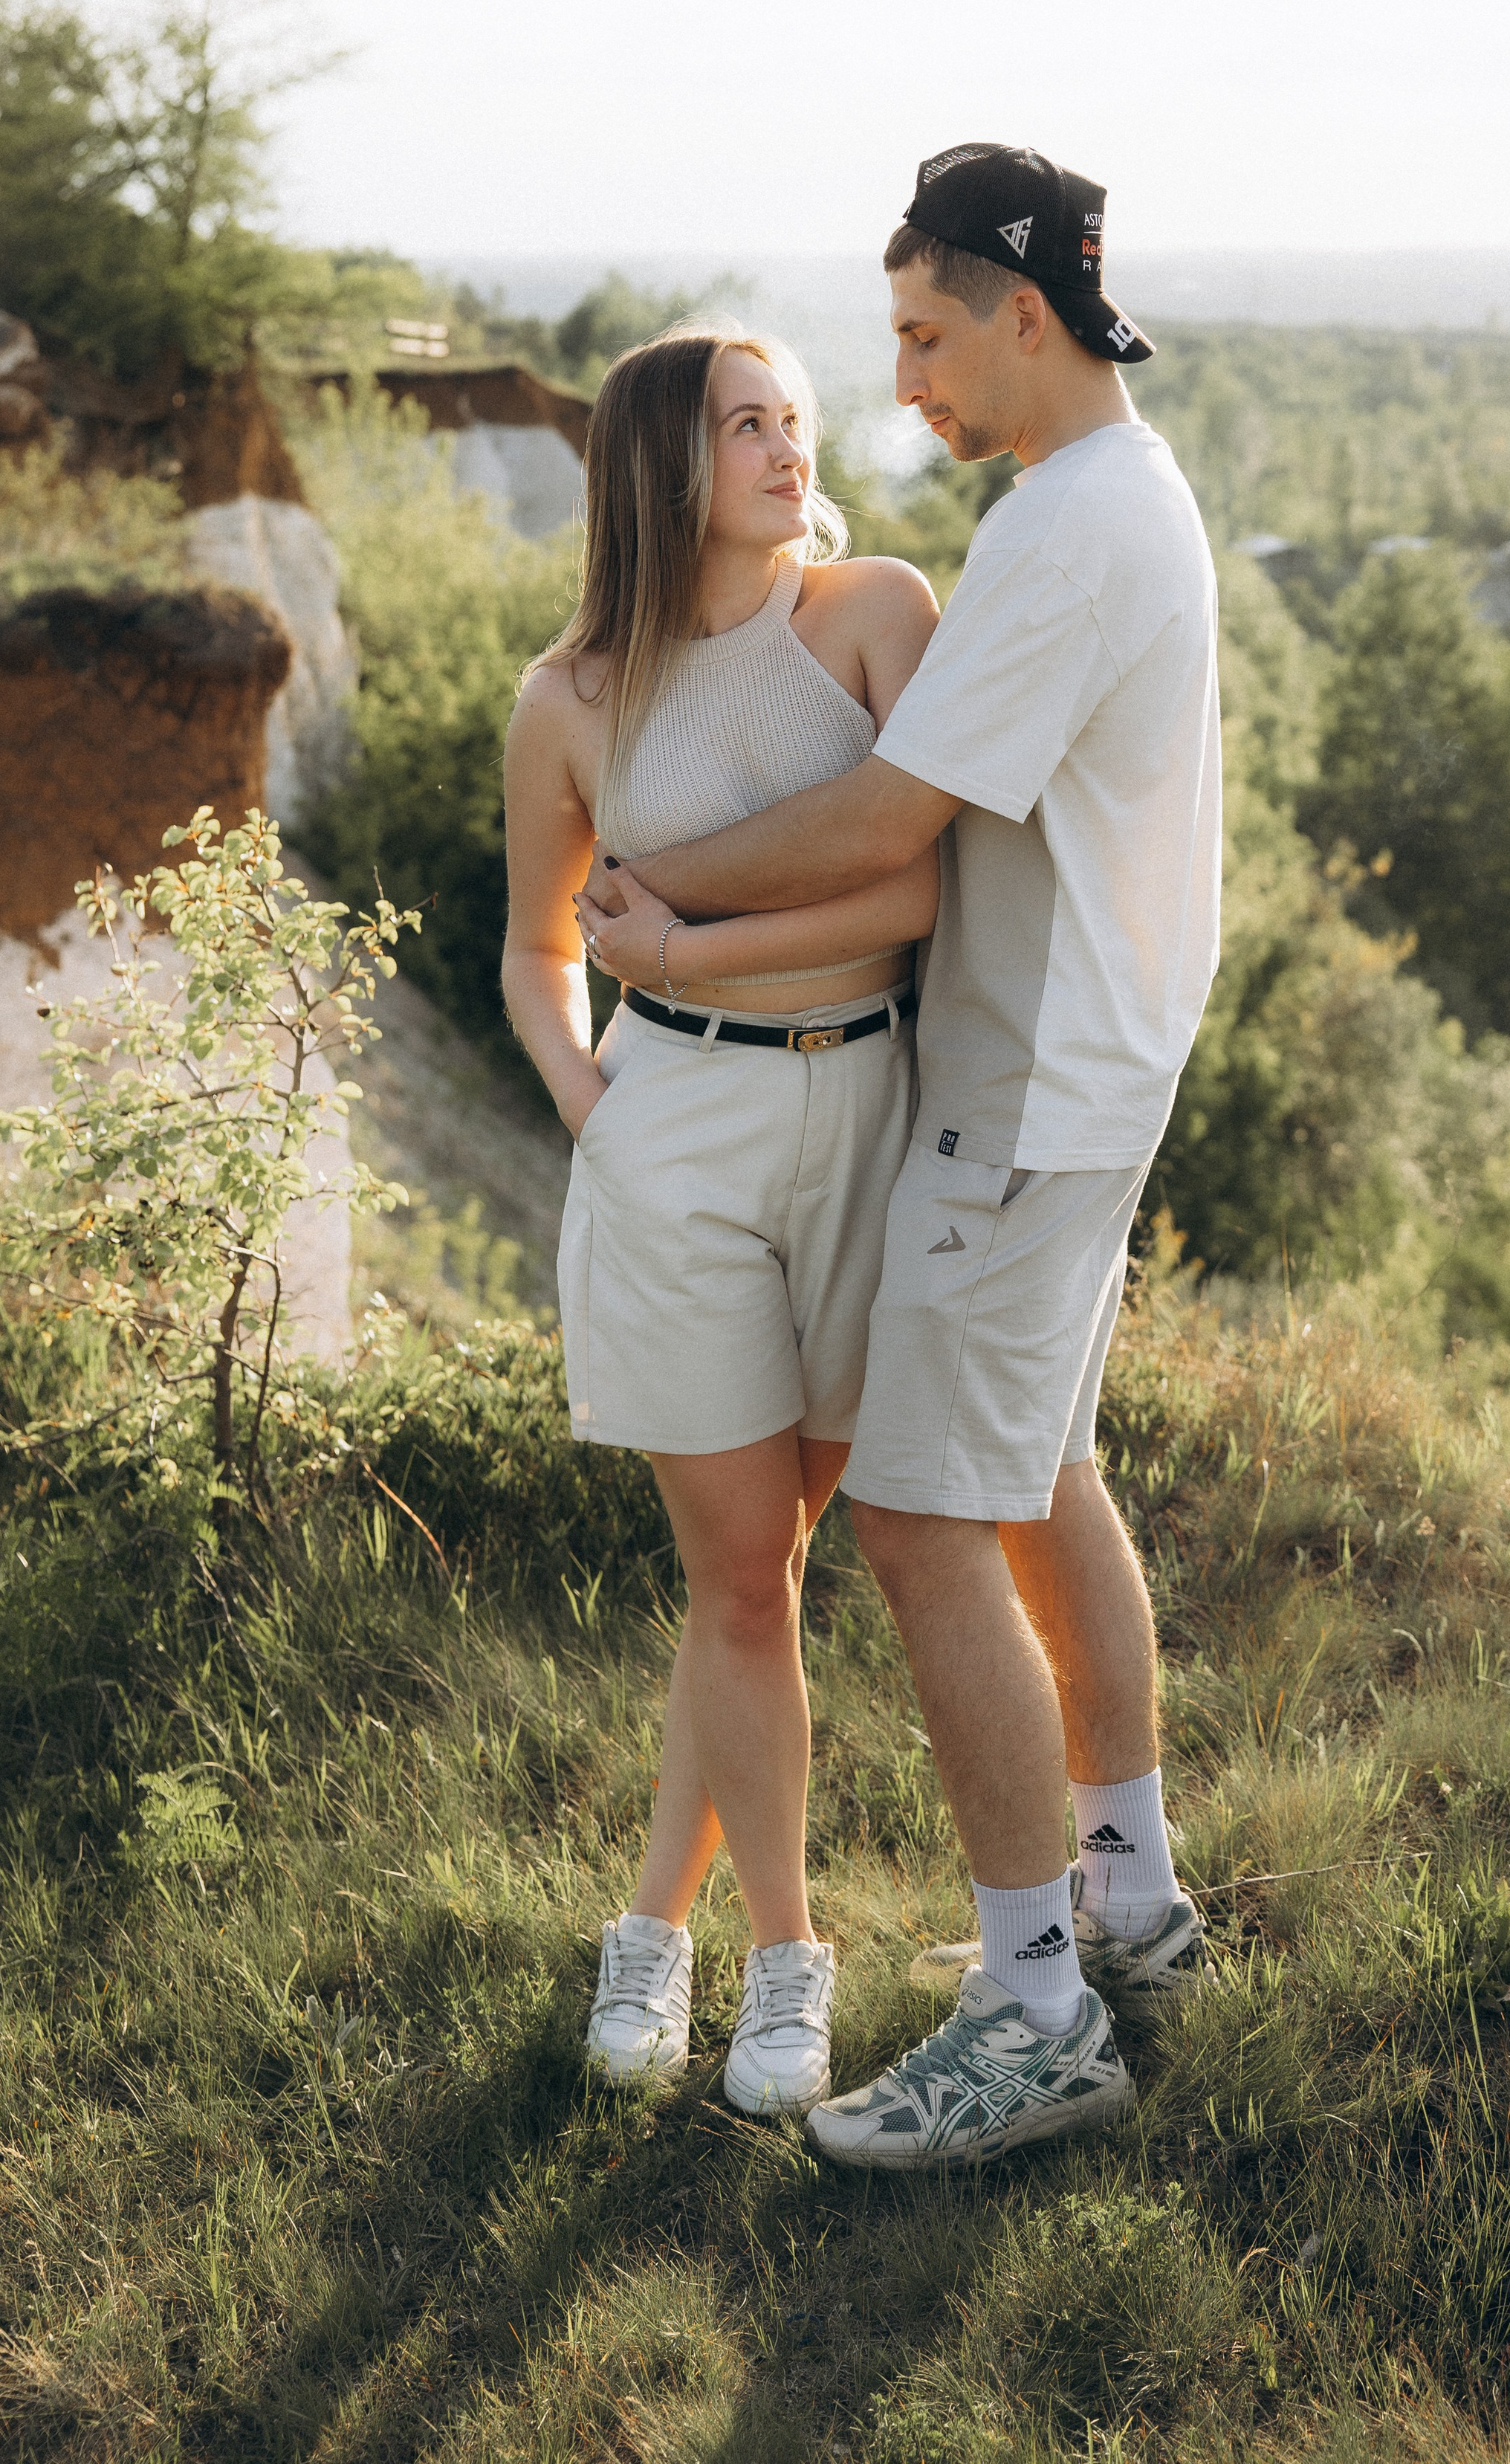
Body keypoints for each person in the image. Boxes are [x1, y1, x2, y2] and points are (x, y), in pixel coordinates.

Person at [580, 146, 1224, 2167]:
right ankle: (1129, 1891)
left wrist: (656, 884)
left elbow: (885, 827)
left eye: (928, 336)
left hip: (1020, 1097)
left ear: (1023, 313)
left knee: (928, 1521)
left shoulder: (1058, 540)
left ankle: (1031, 2006)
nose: (908, 386)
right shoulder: (1126, 496)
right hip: (1088, 1071)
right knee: (1041, 1474)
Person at [502, 322, 939, 2118]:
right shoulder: (571, 700)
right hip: (676, 1132)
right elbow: (535, 953)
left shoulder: (871, 613)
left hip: (871, 1116)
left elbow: (915, 879)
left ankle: (641, 1921)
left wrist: (681, 941)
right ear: (660, 465)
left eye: (794, 421)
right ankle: (781, 1962)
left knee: (754, 1580)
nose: (784, 447)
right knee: (740, 1584)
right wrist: (602, 1108)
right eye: (743, 424)